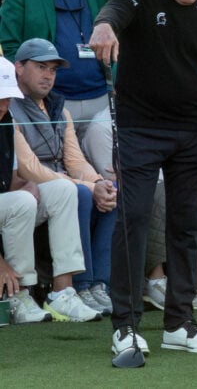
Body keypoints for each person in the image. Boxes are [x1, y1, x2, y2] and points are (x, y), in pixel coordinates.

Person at [90, 0, 197, 355]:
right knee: (133, 217)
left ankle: (180, 323)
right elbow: (116, 8)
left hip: (194, 130)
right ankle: (126, 324)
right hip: (140, 127)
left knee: (187, 225)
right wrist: (104, 27)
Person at [0, 0, 115, 181]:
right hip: (51, 103)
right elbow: (10, 43)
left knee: (108, 177)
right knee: (70, 180)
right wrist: (32, 90)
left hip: (100, 97)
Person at [10, 39, 116, 320]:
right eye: (40, 67)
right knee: (79, 193)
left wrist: (98, 183)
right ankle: (78, 287)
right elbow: (28, 167)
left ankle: (99, 285)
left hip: (61, 185)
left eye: (53, 70)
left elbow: (75, 160)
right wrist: (88, 187)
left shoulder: (60, 108)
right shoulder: (9, 108)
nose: (48, 75)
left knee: (112, 191)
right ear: (18, 68)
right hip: (29, 189)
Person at [0, 52, 84, 325]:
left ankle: (63, 292)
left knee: (62, 190)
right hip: (10, 209)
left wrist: (27, 183)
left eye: (7, 96)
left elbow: (10, 180)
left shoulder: (5, 121)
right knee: (23, 202)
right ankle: (19, 293)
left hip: (6, 207)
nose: (4, 103)